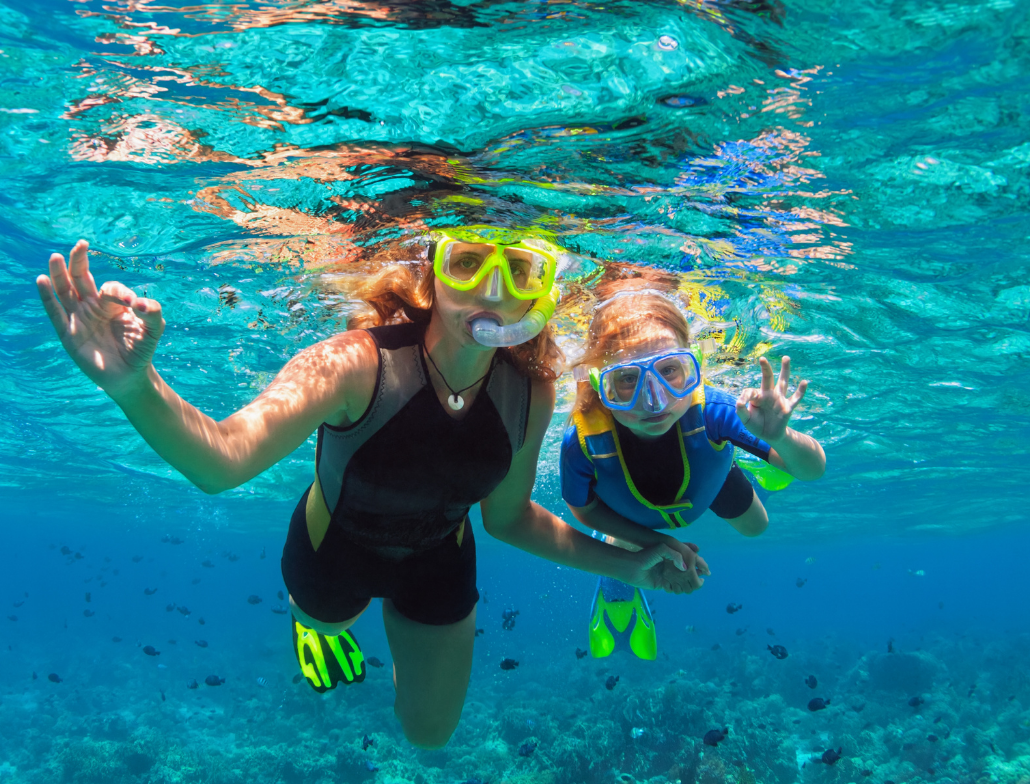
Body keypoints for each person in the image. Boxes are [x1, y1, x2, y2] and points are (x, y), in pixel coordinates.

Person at [36, 232, 701, 748]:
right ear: (433, 273)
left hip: (441, 556)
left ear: (540, 292)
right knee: (327, 622)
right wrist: (133, 386)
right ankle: (315, 626)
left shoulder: (532, 389)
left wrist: (631, 563)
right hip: (335, 549)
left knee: (429, 735)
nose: (492, 291)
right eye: (468, 263)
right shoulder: (356, 362)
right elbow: (223, 461)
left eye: (520, 271)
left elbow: (508, 519)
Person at [560, 279, 826, 661]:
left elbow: (813, 470)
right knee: (623, 543)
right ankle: (616, 575)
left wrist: (782, 439)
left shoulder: (714, 410)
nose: (654, 402)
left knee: (758, 527)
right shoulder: (582, 442)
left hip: (708, 479)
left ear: (692, 367)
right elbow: (583, 510)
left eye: (670, 371)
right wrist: (657, 544)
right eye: (627, 380)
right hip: (625, 511)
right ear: (599, 385)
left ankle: (756, 453)